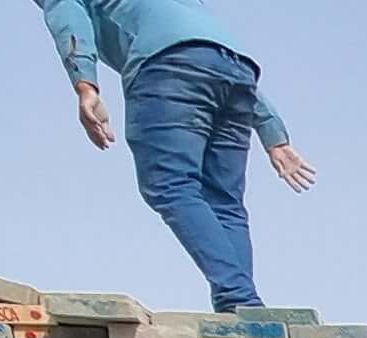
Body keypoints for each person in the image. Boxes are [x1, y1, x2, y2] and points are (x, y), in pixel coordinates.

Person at [35, 2, 317, 312]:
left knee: (170, 185)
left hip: (168, 65)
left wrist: (85, 87)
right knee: (223, 201)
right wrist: (273, 134)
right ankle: (243, 307)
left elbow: (69, 20)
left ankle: (239, 299)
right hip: (237, 68)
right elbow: (202, 48)